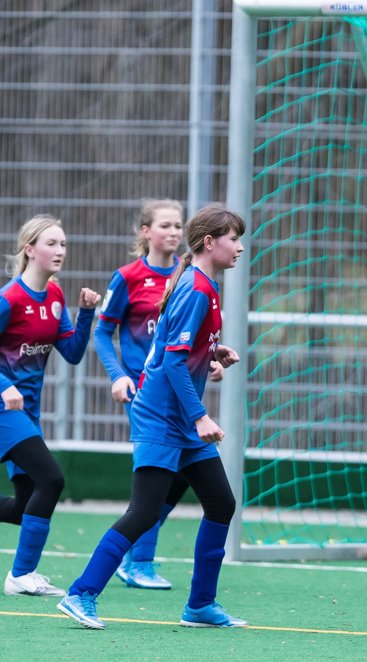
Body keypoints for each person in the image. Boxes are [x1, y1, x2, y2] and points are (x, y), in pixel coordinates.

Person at [58, 203, 245, 630]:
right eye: (233, 239)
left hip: (179, 418)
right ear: (210, 242)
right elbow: (174, 364)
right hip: (162, 418)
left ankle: (199, 606)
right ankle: (81, 593)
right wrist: (200, 416)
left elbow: (171, 348)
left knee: (221, 503)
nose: (239, 247)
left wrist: (213, 354)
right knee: (143, 511)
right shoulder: (197, 288)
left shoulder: (201, 284)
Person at [0, 215, 100, 596]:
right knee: (52, 479)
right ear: (29, 250)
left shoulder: (55, 297)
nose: (60, 251)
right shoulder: (9, 298)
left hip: (26, 414)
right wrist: (5, 385)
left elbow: (72, 354)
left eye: (63, 244)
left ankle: (23, 574)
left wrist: (87, 313)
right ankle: (21, 576)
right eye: (51, 244)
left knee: (24, 505)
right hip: (4, 409)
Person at [95, 199, 190, 590]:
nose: (173, 232)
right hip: (143, 393)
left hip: (178, 391)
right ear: (145, 232)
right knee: (159, 473)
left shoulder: (188, 277)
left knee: (185, 473)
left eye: (178, 225)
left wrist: (211, 360)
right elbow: (102, 333)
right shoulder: (128, 276)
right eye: (165, 225)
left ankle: (135, 547)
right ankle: (139, 563)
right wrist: (118, 375)